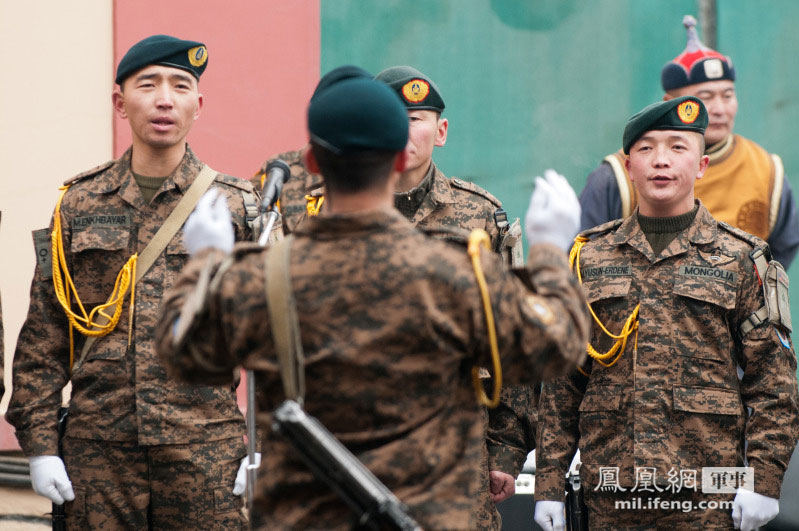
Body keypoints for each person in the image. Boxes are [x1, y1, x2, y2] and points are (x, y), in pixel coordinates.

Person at [155, 73, 590, 530]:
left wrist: (204, 261)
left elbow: (180, 352)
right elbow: (558, 343)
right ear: (400, 155)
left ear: (312, 160)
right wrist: (547, 254)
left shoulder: (261, 277)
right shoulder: (457, 275)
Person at [256, 65, 530, 527]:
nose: (405, 130)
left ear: (441, 132)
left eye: (417, 118)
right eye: (392, 117)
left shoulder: (480, 215)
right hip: (331, 447)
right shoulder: (311, 210)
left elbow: (511, 344)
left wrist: (505, 447)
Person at [6, 35, 259, 529]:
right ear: (121, 103)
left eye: (180, 85)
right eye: (148, 84)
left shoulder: (236, 207)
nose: (165, 98)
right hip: (97, 456)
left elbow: (277, 338)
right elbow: (44, 336)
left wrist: (268, 445)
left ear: (197, 105)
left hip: (205, 452)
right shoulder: (79, 203)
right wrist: (39, 446)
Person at [534, 96, 799, 530]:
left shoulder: (742, 259)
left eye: (678, 148)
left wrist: (764, 481)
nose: (661, 161)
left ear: (701, 166)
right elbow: (563, 383)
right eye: (646, 149)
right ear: (627, 165)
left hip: (710, 498)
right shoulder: (589, 257)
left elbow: (774, 384)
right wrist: (548, 485)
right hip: (611, 496)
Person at [579, 15, 799, 268]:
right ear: (668, 103)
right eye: (705, 97)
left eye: (727, 96)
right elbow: (582, 262)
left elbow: (778, 258)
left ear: (701, 166)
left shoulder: (766, 171)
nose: (718, 109)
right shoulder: (618, 176)